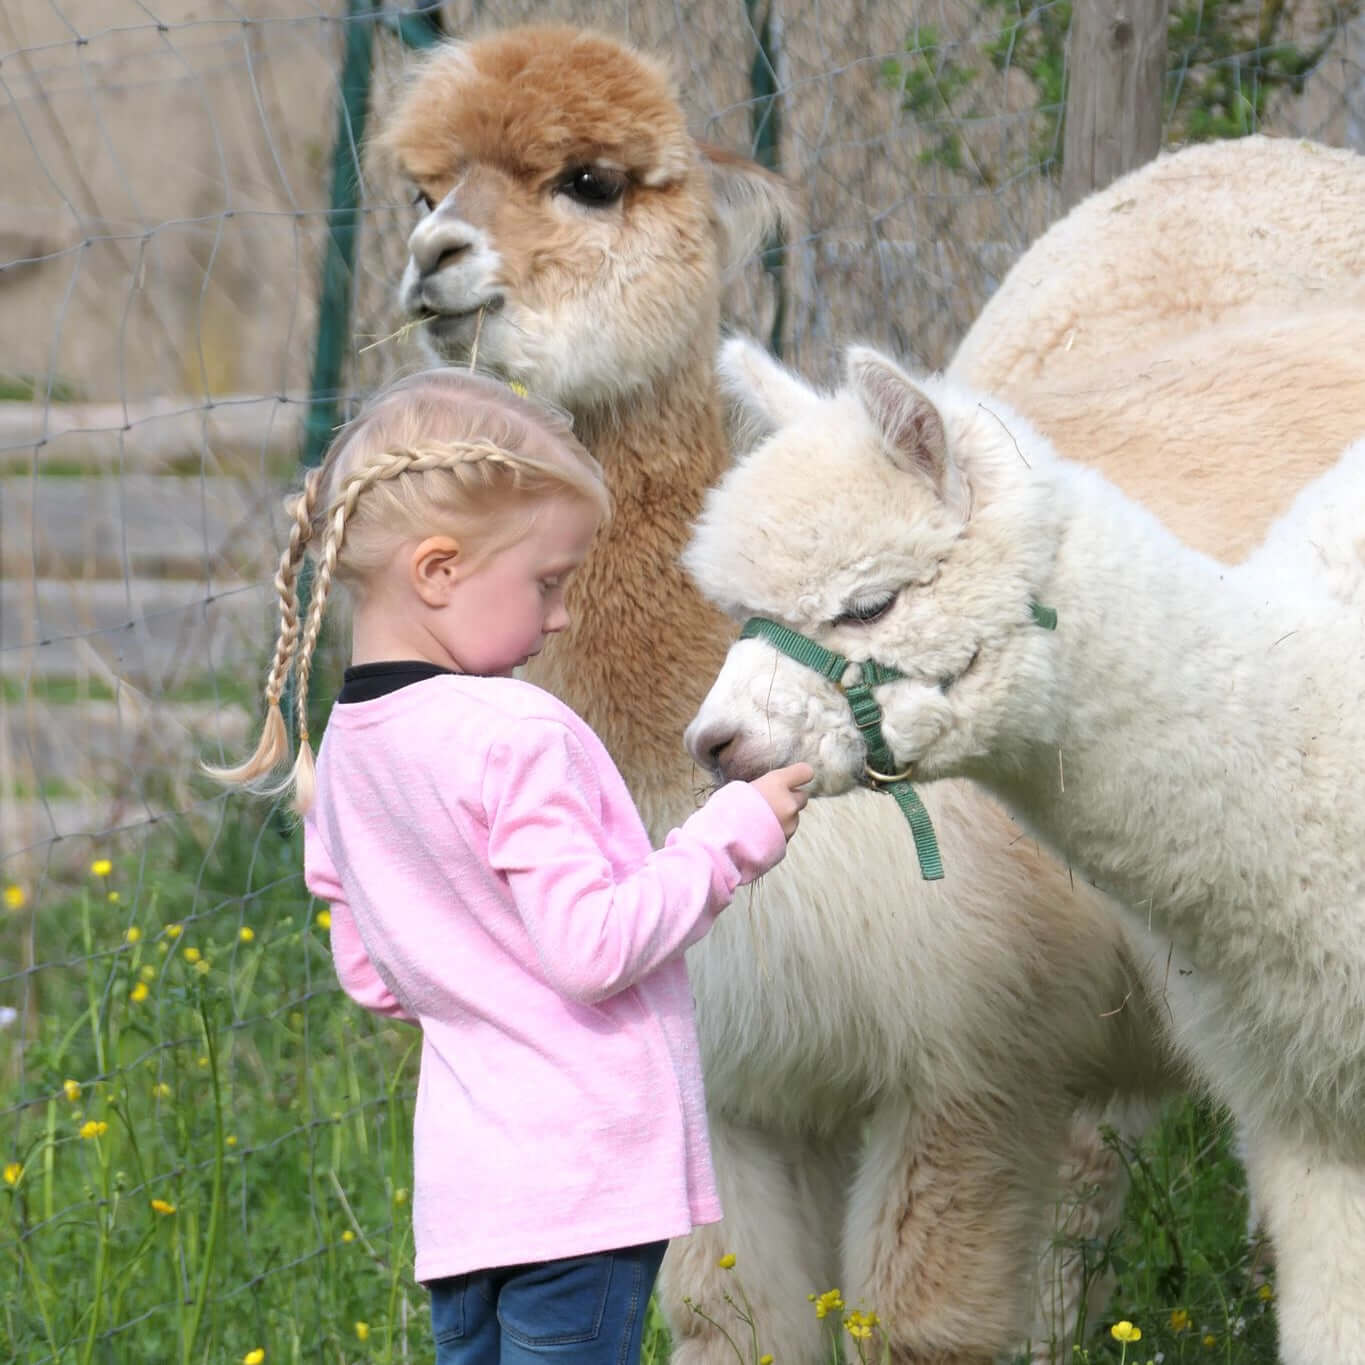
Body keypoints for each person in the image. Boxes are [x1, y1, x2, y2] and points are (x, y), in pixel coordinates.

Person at [207, 368, 813, 1365]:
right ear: (438, 571)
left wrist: (474, 971)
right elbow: (593, 948)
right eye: (548, 583)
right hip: (581, 1179)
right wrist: (728, 836)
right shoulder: (514, 731)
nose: (564, 617)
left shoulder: (346, 749)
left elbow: (372, 975)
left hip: (467, 1195)